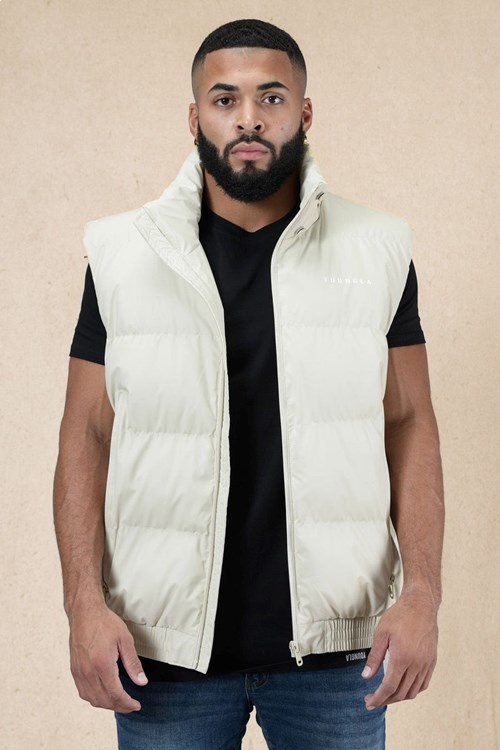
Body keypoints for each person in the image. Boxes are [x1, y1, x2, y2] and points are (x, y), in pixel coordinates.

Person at [53, 18, 444, 750]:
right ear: (194, 117)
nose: (249, 119)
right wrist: (83, 605)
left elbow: (410, 420)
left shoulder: (379, 248)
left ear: (304, 111)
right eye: (225, 99)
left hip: (337, 656)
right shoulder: (120, 253)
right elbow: (87, 431)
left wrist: (421, 594)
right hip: (162, 654)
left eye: (271, 96)